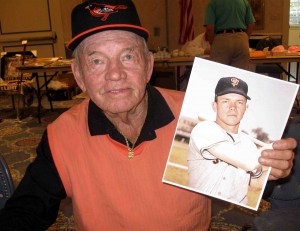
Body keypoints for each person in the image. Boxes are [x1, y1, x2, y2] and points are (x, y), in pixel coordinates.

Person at [0, 1, 296, 230]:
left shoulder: (195, 115)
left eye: (127, 56)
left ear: (148, 64)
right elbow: (28, 209)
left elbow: (246, 178)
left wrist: (271, 169)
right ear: (78, 75)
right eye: (97, 60)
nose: (115, 74)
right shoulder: (62, 134)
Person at [188, 77, 269, 205]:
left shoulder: (249, 145)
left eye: (239, 102)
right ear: (215, 105)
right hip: (203, 207)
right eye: (226, 101)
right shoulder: (204, 129)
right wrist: (272, 147)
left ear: (245, 108)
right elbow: (249, 163)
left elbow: (256, 183)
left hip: (236, 212)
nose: (233, 107)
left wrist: (272, 169)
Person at [204, 0, 256, 70]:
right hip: (241, 38)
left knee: (219, 72)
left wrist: (212, 42)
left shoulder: (214, 2)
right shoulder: (244, 2)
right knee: (239, 76)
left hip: (222, 38)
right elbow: (251, 24)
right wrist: (245, 39)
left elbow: (210, 28)